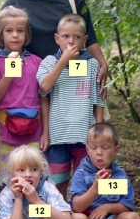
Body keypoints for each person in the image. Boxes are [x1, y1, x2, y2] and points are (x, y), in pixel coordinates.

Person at [37, 14, 105, 199]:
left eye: (76, 37)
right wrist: (63, 61)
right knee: (57, 183)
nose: (71, 41)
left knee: (86, 180)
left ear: (84, 40)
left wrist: (99, 130)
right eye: (66, 36)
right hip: (58, 136)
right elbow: (44, 88)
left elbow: (98, 100)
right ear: (57, 38)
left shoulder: (91, 65)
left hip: (84, 135)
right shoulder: (50, 62)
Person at [69, 122, 140, 219]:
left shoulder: (119, 175)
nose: (99, 152)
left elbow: (127, 205)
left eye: (105, 148)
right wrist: (95, 187)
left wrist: (107, 207)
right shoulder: (81, 173)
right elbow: (77, 206)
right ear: (87, 150)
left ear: (116, 150)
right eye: (94, 148)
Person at [0, 6, 48, 180]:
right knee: (6, 179)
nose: (15, 35)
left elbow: (44, 98)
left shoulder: (36, 62)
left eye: (20, 30)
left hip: (33, 133)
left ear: (26, 34)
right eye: (9, 31)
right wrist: (9, 74)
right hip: (5, 133)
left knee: (32, 177)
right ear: (0, 33)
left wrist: (46, 133)